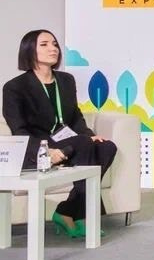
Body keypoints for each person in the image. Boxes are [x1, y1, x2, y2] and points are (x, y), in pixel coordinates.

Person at [2, 30, 118, 238]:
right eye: (44, 44)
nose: (53, 48)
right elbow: (19, 130)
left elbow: (75, 116)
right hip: (38, 148)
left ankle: (67, 211)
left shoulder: (66, 80)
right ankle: (84, 215)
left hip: (69, 141)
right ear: (29, 50)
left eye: (54, 44)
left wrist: (88, 134)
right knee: (83, 143)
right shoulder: (14, 87)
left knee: (107, 147)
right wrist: (45, 151)